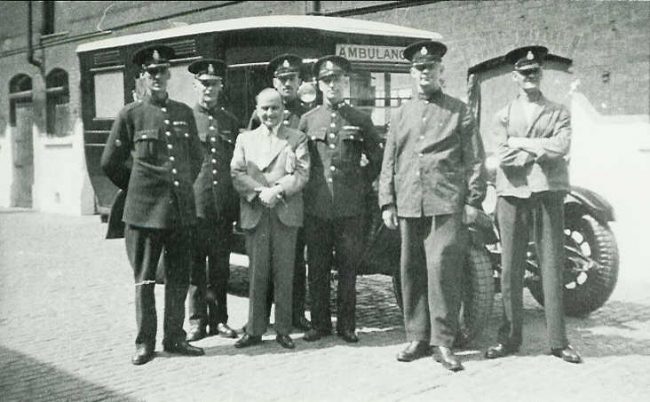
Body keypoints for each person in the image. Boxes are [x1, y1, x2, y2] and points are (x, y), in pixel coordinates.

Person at [378, 40, 486, 372]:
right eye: (418, 68)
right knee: (411, 271)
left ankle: (443, 341)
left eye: (431, 68)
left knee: (444, 272)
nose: (425, 73)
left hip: (445, 202)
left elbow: (475, 160)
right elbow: (389, 162)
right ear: (412, 74)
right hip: (410, 201)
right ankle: (417, 337)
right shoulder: (400, 114)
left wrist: (473, 200)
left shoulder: (459, 110)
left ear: (441, 72)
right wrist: (387, 202)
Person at [101, 45, 205, 365]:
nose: (158, 77)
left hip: (179, 212)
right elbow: (109, 162)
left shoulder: (183, 112)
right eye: (152, 72)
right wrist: (138, 188)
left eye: (163, 71)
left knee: (178, 278)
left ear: (169, 74)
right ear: (142, 77)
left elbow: (196, 158)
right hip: (145, 213)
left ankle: (174, 337)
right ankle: (145, 342)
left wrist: (182, 187)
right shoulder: (130, 114)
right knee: (145, 280)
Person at [484, 46, 582, 364]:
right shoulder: (501, 115)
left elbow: (561, 145)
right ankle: (510, 339)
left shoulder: (559, 111)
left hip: (548, 193)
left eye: (535, 72)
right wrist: (538, 149)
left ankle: (558, 342)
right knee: (510, 268)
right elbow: (502, 154)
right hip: (511, 194)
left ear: (541, 75)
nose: (530, 77)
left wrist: (522, 144)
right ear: (515, 77)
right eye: (524, 73)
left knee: (551, 267)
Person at [299, 55, 383, 344]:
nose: (332, 85)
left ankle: (347, 325)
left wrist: (360, 184)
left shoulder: (360, 119)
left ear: (346, 82)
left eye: (338, 79)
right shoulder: (308, 120)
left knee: (348, 269)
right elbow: (298, 162)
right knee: (318, 268)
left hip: (350, 209)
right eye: (327, 80)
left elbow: (378, 158)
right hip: (317, 207)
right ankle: (320, 324)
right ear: (319, 85)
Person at [231, 88, 310, 349]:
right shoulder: (245, 139)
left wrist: (277, 191)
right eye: (264, 108)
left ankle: (284, 329)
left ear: (283, 110)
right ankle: (254, 330)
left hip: (285, 212)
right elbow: (237, 173)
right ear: (257, 110)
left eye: (275, 108)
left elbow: (301, 173)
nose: (270, 113)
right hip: (256, 212)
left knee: (284, 272)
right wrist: (260, 191)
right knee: (257, 274)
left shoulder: (297, 138)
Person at [247, 53, 312, 331]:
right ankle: (262, 319)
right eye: (282, 79)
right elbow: (254, 159)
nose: (287, 83)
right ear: (275, 81)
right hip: (268, 200)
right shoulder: (262, 113)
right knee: (265, 265)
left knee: (295, 261)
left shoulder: (308, 114)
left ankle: (295, 314)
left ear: (299, 81)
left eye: (292, 78)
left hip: (299, 198)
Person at [185, 59, 240, 342]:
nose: (209, 88)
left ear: (221, 86)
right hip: (196, 205)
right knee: (196, 268)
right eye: (204, 83)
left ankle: (219, 320)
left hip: (222, 207)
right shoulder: (185, 118)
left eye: (214, 84)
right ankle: (196, 321)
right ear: (196, 86)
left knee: (220, 268)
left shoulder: (229, 121)